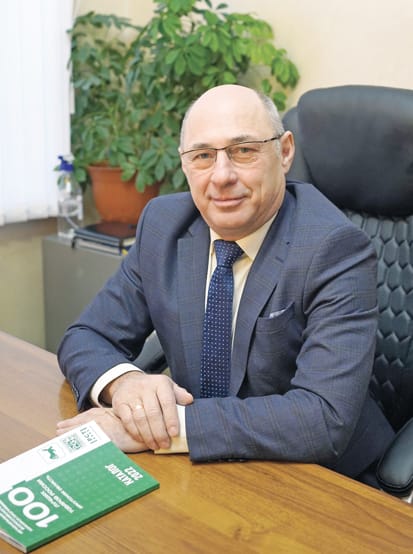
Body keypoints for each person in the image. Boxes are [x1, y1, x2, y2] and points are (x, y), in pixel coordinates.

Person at [57, 84, 394, 485]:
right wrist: (125, 384)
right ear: (184, 164)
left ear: (285, 152)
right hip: (203, 471)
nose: (221, 176)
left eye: (244, 150)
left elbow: (323, 418)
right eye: (202, 156)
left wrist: (162, 428)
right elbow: (86, 335)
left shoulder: (335, 248)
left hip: (319, 477)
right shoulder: (164, 225)